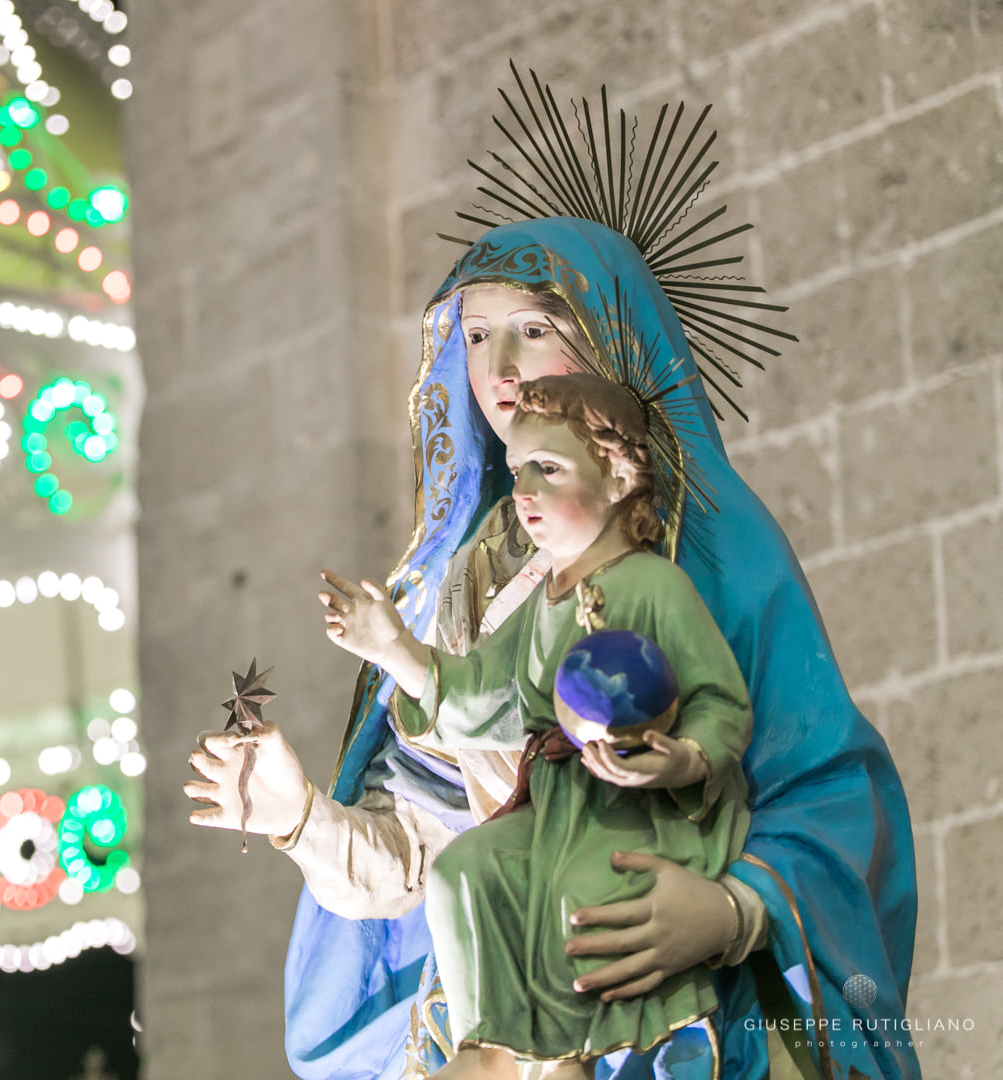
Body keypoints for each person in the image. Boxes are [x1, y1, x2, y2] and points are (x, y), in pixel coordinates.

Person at [186, 215, 918, 1079]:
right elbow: (428, 850)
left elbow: (828, 789)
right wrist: (302, 819)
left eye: (534, 331)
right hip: (518, 971)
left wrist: (729, 911)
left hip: (674, 976)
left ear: (607, 341)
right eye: (477, 334)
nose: (499, 370)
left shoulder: (708, 554)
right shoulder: (463, 583)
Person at [321, 371, 752, 1077]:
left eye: (548, 470)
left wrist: (681, 758)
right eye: (519, 470)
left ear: (617, 479)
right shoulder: (544, 600)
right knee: (465, 868)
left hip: (638, 807)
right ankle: (490, 1044)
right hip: (558, 803)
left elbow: (720, 700)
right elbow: (485, 695)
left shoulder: (653, 584)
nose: (523, 492)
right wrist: (393, 647)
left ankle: (565, 1058)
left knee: (574, 893)